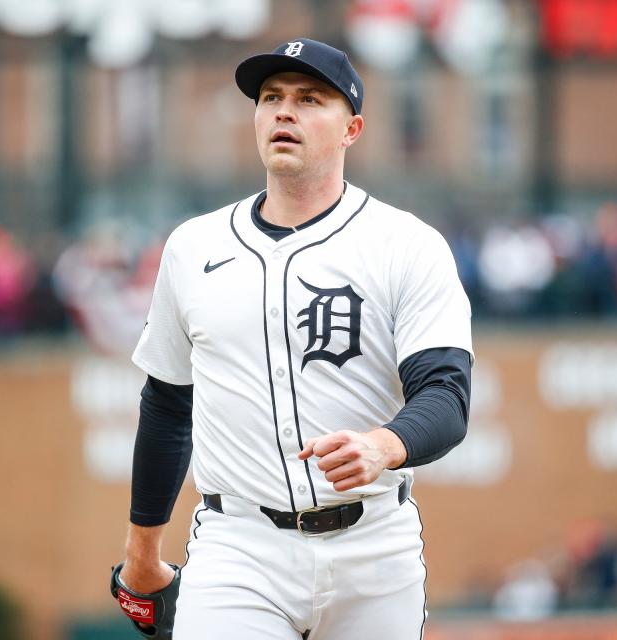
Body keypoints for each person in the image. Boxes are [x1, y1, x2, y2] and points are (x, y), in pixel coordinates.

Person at [115, 38, 474, 639]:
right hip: (238, 548)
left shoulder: (405, 244)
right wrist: (143, 553)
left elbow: (446, 395)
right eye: (271, 98)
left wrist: (385, 445)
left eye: (310, 99)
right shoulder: (193, 247)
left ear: (352, 128)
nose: (285, 111)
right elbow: (169, 404)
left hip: (374, 549)